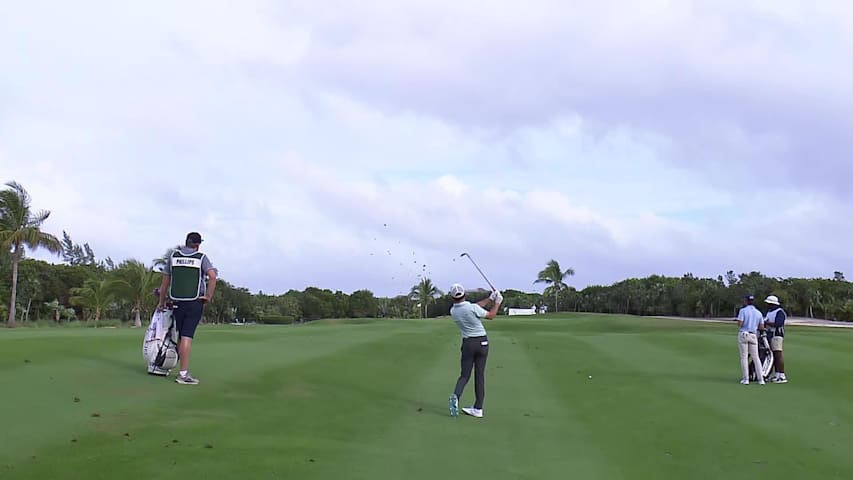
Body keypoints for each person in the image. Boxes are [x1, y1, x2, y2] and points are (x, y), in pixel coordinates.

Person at [157, 232, 217, 385]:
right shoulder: (201, 258)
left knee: (180, 335)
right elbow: (212, 276)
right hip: (194, 302)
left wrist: (161, 302)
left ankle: (170, 365)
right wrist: (208, 296)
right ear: (197, 244)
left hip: (177, 302)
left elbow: (165, 283)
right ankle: (183, 374)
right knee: (187, 337)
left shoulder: (173, 256)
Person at [447, 283, 502, 418]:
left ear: (453, 298)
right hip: (482, 343)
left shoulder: (453, 311)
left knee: (464, 375)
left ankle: (456, 396)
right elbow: (491, 315)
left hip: (468, 344)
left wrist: (490, 298)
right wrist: (497, 303)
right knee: (480, 376)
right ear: (464, 294)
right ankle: (478, 408)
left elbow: (475, 307)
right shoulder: (471, 308)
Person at [737, 294, 766, 385]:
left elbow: (740, 324)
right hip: (753, 335)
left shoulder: (743, 311)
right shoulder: (758, 312)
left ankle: (746, 379)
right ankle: (761, 379)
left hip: (744, 334)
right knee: (756, 357)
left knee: (744, 357)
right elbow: (761, 326)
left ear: (746, 301)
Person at [763, 295, 788, 383]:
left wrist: (766, 323)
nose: (767, 305)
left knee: (778, 354)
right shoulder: (769, 311)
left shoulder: (780, 312)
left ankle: (781, 375)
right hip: (770, 334)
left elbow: (779, 323)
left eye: (768, 303)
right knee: (773, 355)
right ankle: (777, 374)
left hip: (777, 335)